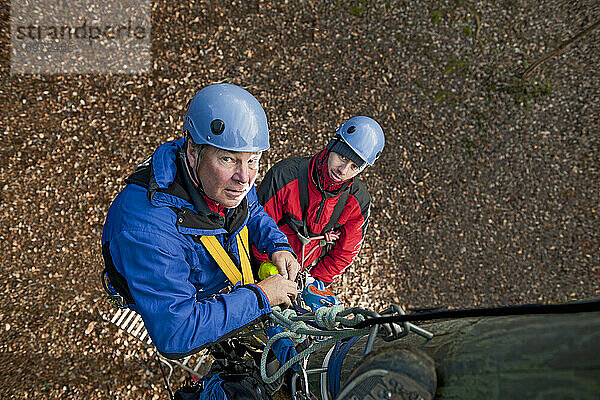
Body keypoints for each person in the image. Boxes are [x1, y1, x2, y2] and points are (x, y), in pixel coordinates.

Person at [101, 83, 300, 361]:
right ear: (193, 151)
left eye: (253, 160)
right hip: (183, 295)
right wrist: (259, 298)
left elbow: (250, 209)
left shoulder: (220, 180)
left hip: (216, 275)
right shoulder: (146, 230)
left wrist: (277, 244)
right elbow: (176, 333)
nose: (244, 178)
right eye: (227, 159)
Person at [253, 116, 385, 310]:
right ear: (332, 146)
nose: (343, 170)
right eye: (343, 157)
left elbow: (344, 253)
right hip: (267, 263)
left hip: (305, 274)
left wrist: (314, 282)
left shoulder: (357, 202)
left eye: (354, 167)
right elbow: (259, 224)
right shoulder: (285, 176)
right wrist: (267, 268)